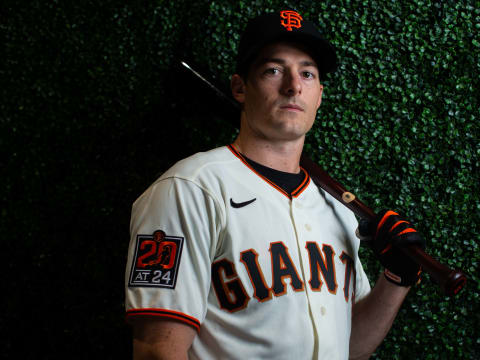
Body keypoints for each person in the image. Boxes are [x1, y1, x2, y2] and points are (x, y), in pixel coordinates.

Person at [125, 9, 425, 360]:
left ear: (319, 95)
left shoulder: (337, 209)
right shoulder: (189, 189)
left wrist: (396, 279)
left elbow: (350, 348)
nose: (293, 85)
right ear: (239, 87)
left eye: (307, 73)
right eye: (274, 70)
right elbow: (157, 349)